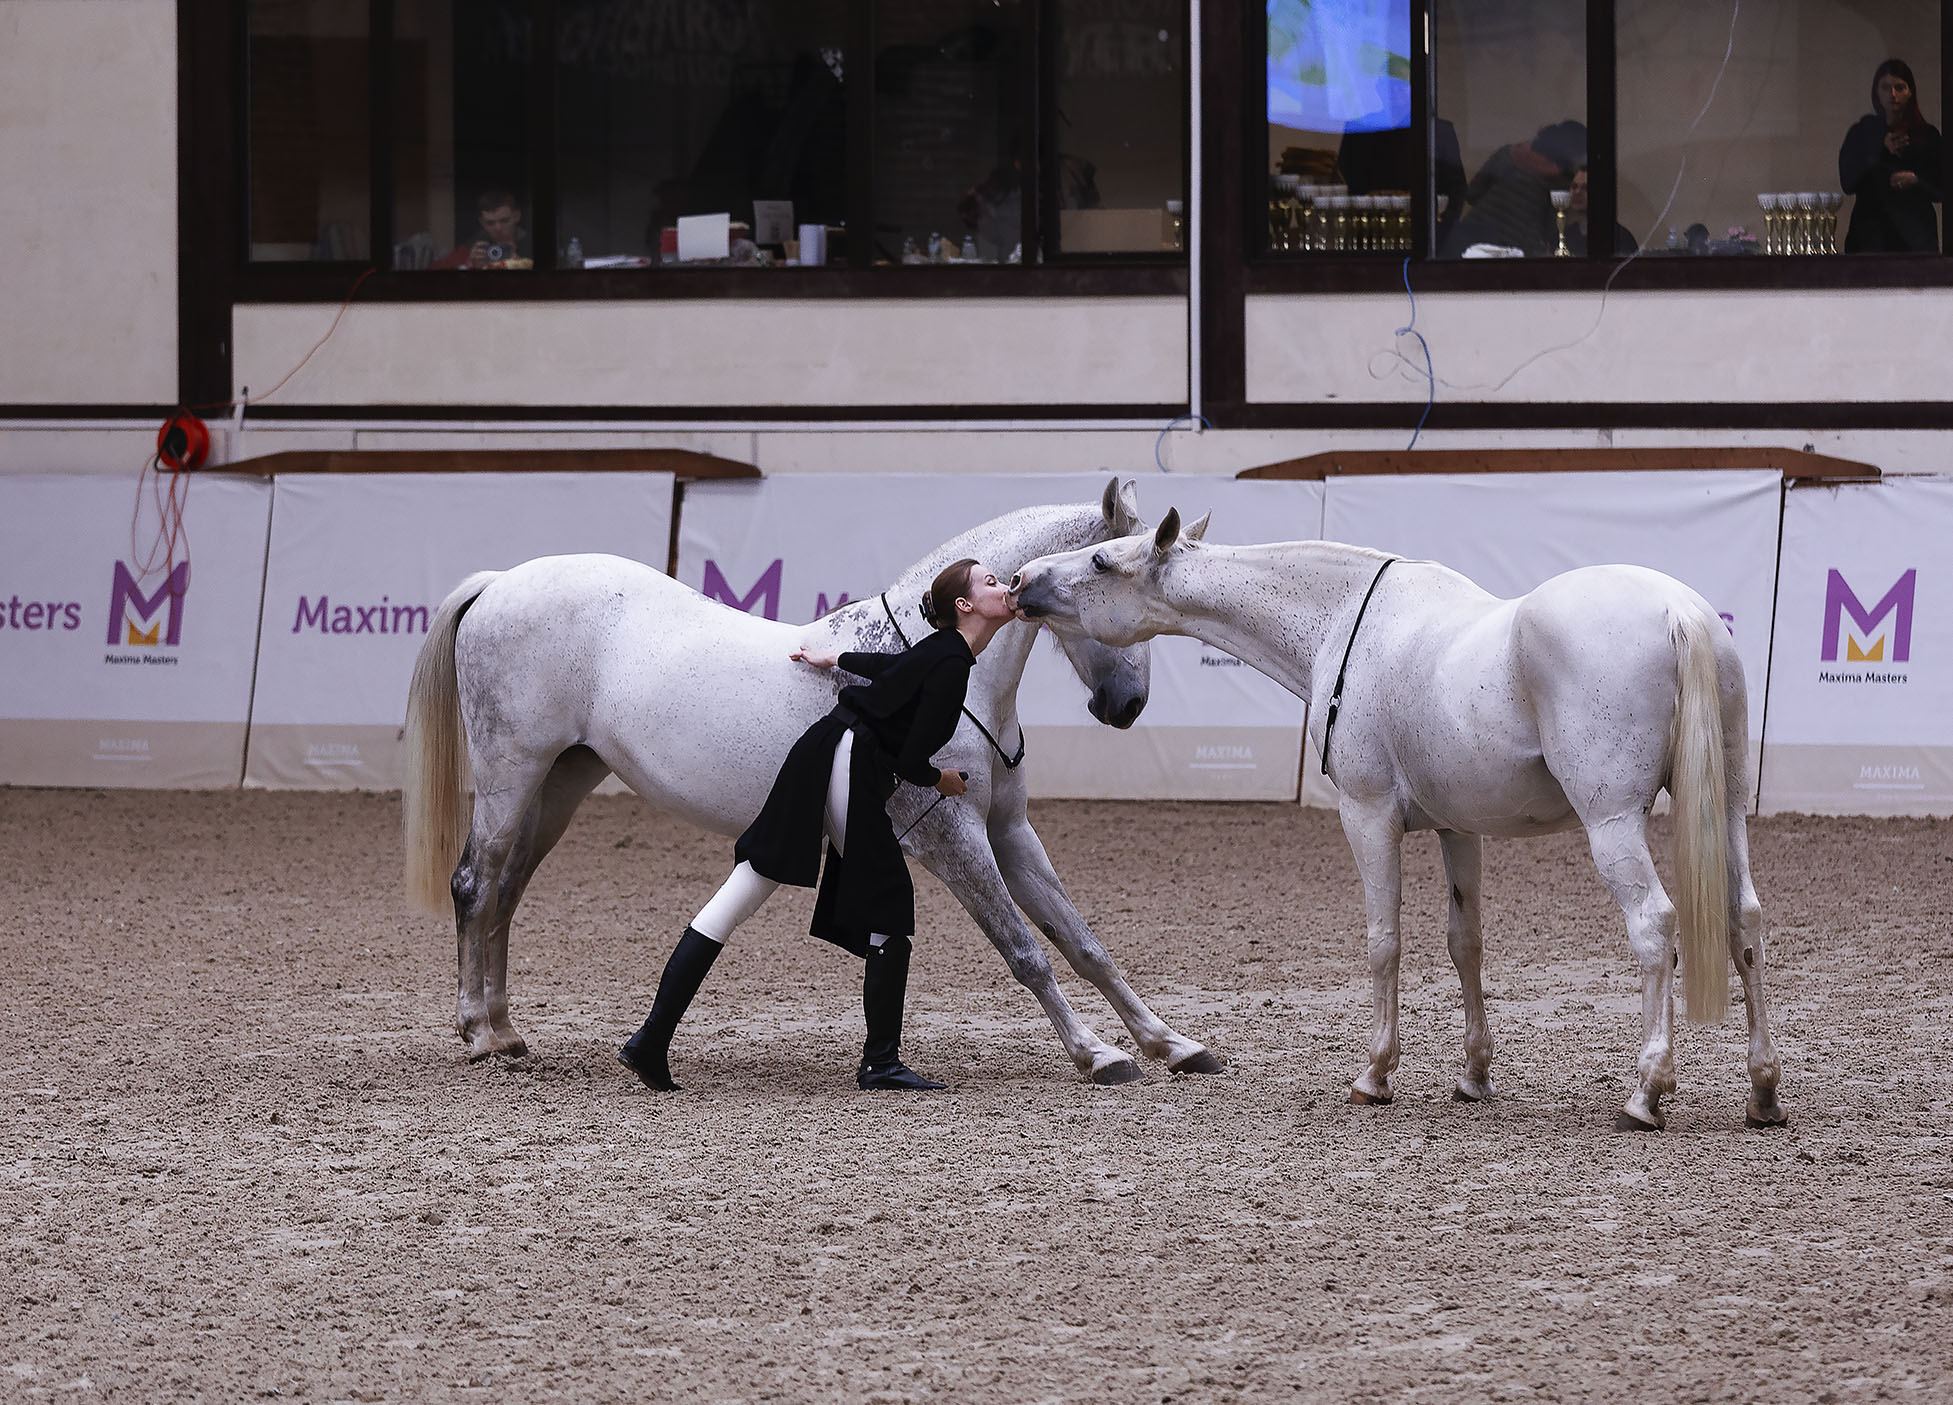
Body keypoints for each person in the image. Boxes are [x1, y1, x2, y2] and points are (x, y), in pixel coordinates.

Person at [618, 559, 1022, 1093]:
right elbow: (908, 756)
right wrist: (939, 779)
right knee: (891, 901)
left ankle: (650, 1040)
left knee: (747, 887)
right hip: (850, 763)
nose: (1003, 586)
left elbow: (890, 669)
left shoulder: (945, 652)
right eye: (990, 582)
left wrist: (834, 657)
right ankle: (880, 1062)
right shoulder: (951, 664)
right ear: (965, 606)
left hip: (824, 752)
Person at [1838, 59, 1944, 253]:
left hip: (1915, 238)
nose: (1892, 94)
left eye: (1899, 87)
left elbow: (1941, 188)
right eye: (1886, 88)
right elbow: (1848, 181)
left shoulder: (1927, 135)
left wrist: (1916, 180)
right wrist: (1878, 146)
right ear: (1876, 92)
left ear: (1910, 92)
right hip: (1869, 237)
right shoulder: (1863, 132)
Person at [1441, 119, 1586, 258]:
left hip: (1474, 233)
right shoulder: (1560, 179)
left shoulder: (1507, 154)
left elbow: (1473, 194)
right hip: (1512, 244)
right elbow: (1550, 228)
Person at [432, 189, 532, 269]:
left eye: (504, 221)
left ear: (516, 216)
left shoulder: (531, 244)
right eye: (490, 223)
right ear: (482, 222)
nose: (498, 228)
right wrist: (468, 266)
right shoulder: (475, 245)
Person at [1564, 166, 1635, 256]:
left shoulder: (1619, 237)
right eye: (1574, 186)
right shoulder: (1566, 235)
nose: (1577, 192)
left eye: (1585, 188)